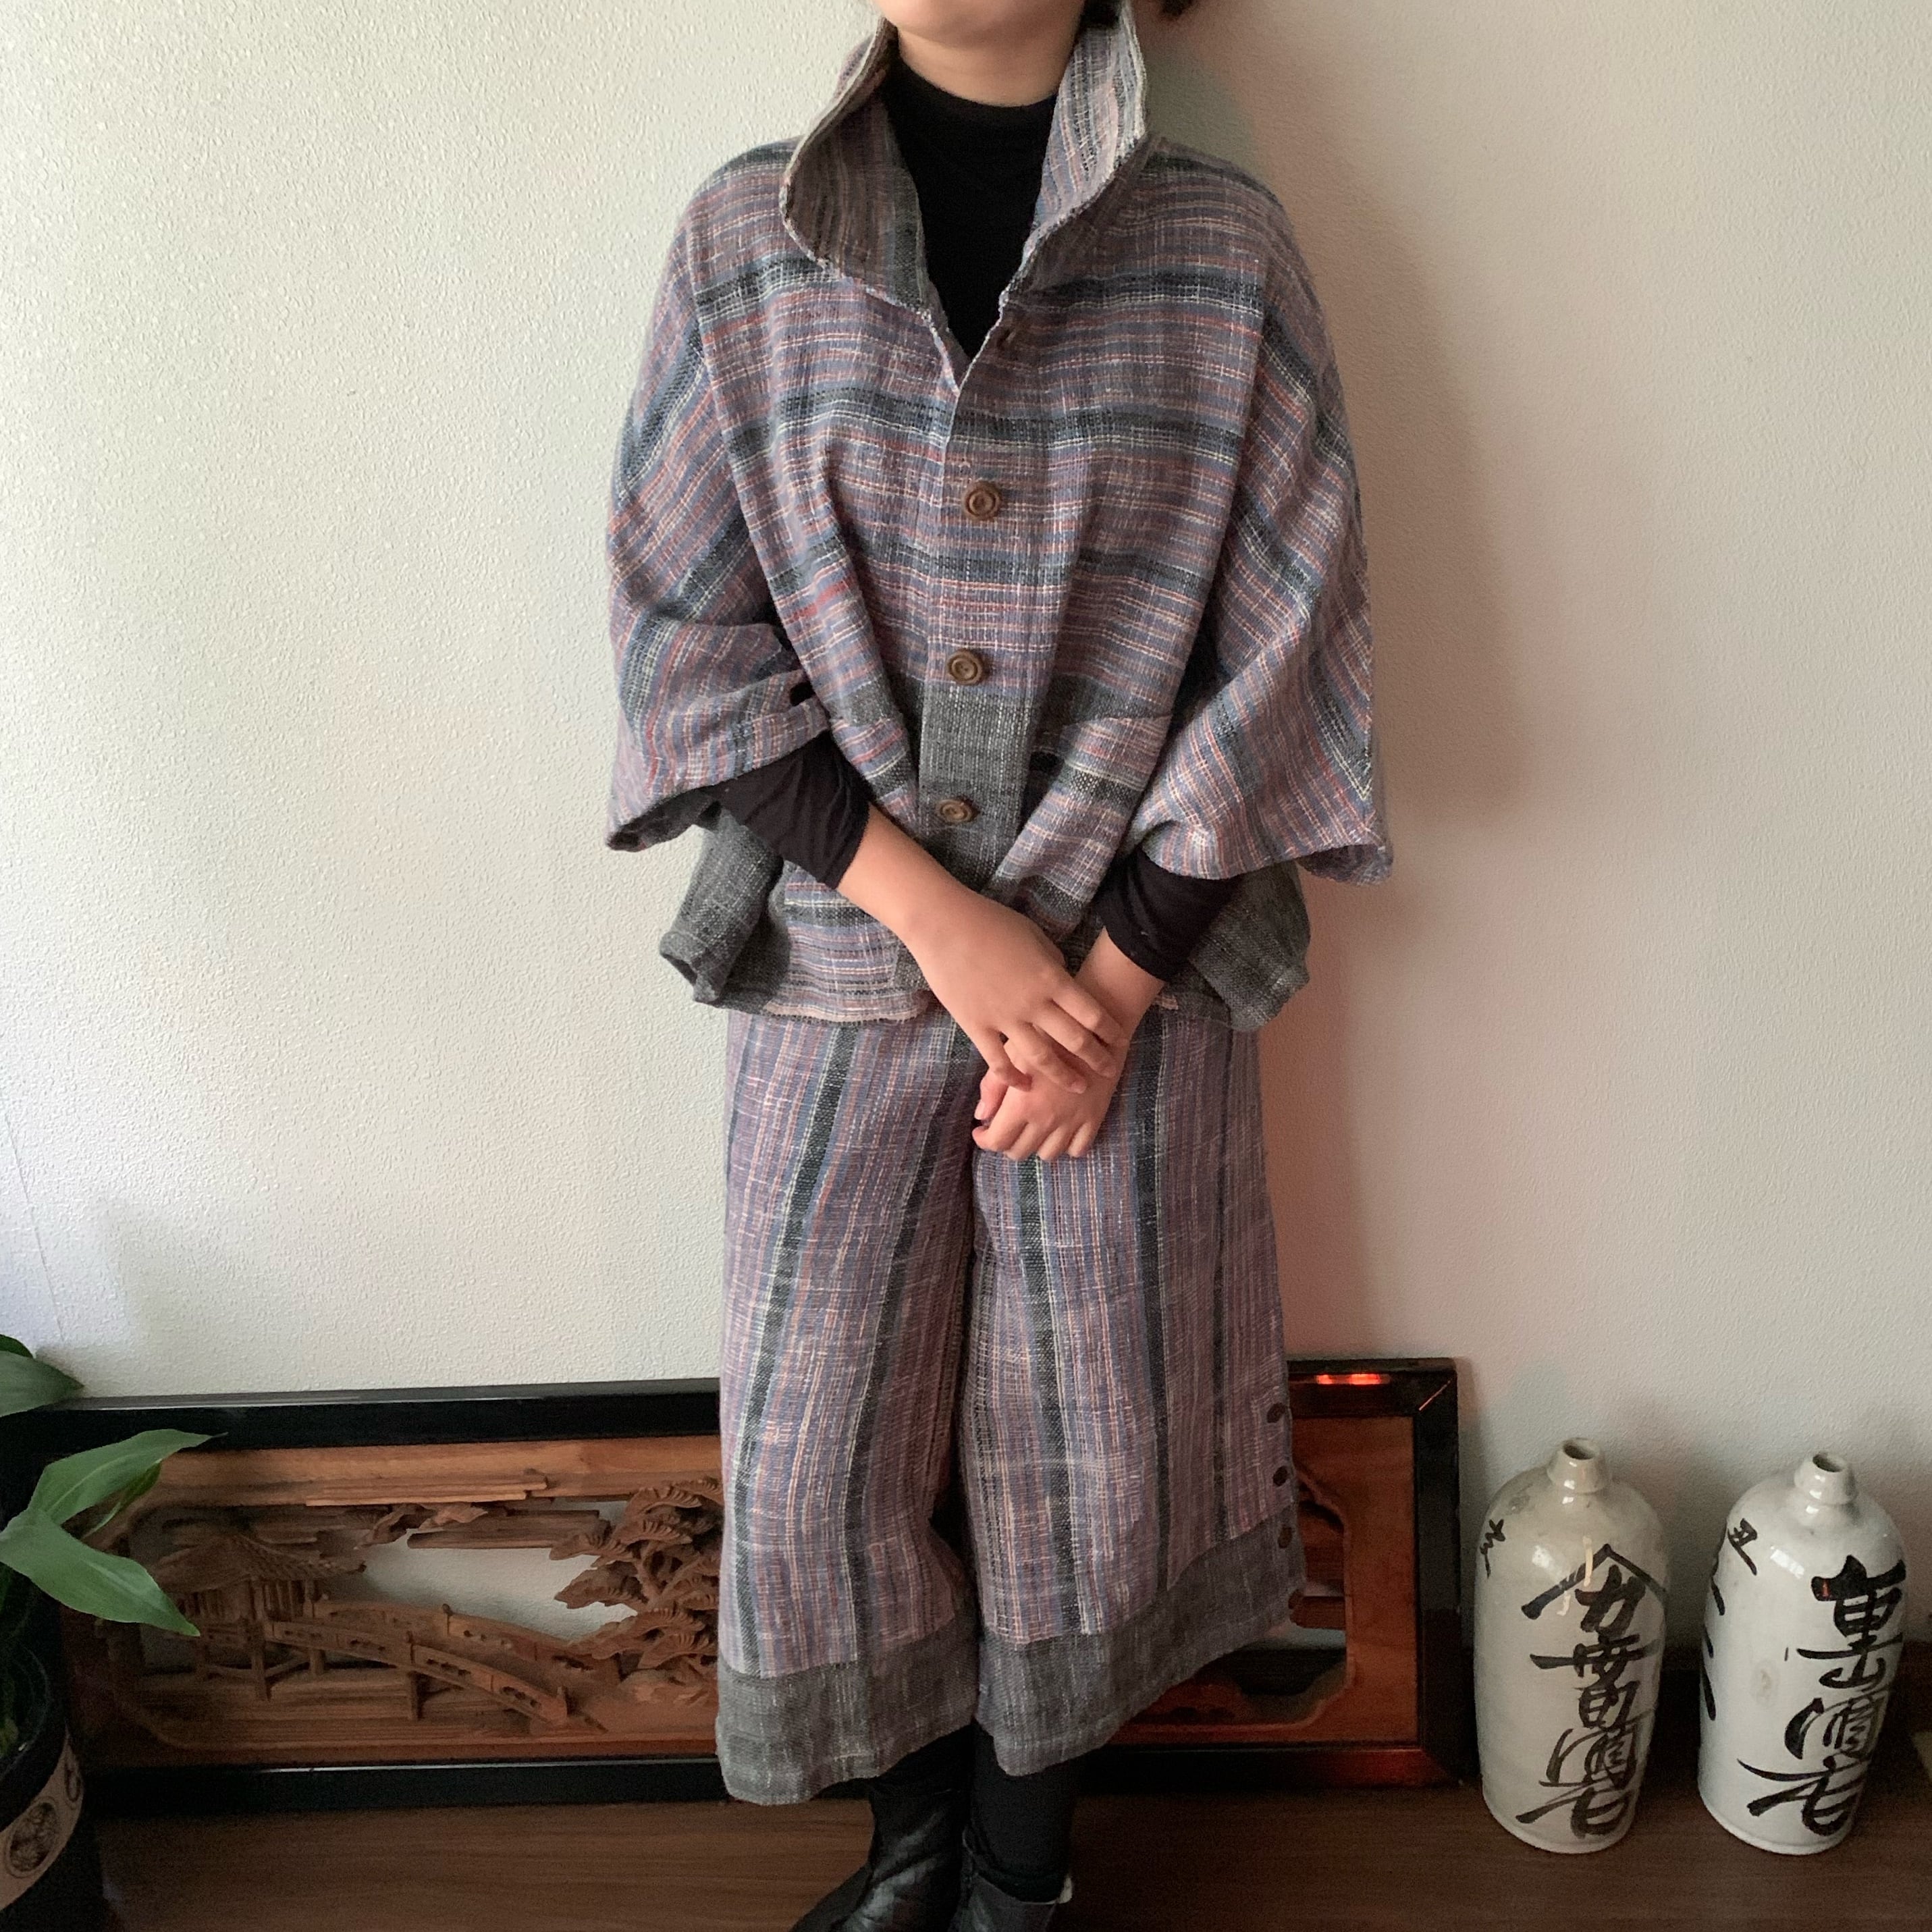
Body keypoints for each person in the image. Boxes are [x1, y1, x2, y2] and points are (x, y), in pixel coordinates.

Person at [600, 1, 1393, 1924]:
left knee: (1092, 1437)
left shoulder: (1222, 252)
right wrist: (939, 917)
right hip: (832, 964)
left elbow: (1290, 653)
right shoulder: (741, 244)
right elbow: (683, 640)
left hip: (1139, 984)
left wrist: (1102, 991)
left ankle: (1020, 1879)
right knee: (822, 1444)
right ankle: (909, 1854)